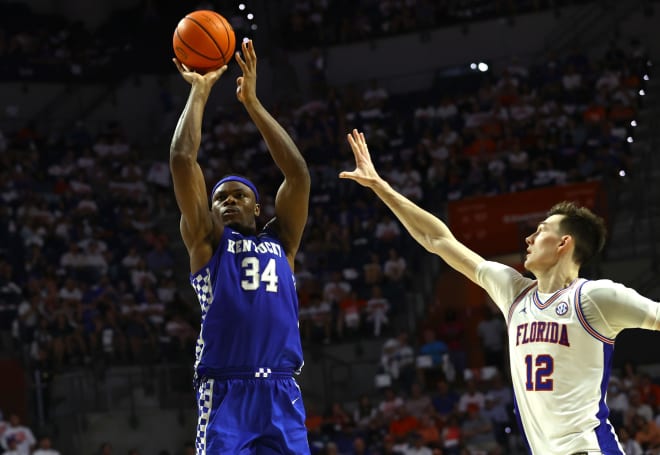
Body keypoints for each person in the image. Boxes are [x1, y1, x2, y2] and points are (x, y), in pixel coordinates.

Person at [340, 129, 660, 455]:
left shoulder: (595, 298)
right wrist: (381, 187)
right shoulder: (513, 291)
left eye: (540, 231)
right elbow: (438, 240)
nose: (528, 240)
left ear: (565, 243)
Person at [169, 40, 311, 454]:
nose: (229, 201)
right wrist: (200, 90)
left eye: (238, 195)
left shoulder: (282, 241)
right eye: (220, 198)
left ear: (256, 205)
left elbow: (298, 175)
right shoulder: (207, 242)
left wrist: (251, 102)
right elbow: (182, 159)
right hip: (227, 389)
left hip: (282, 388)